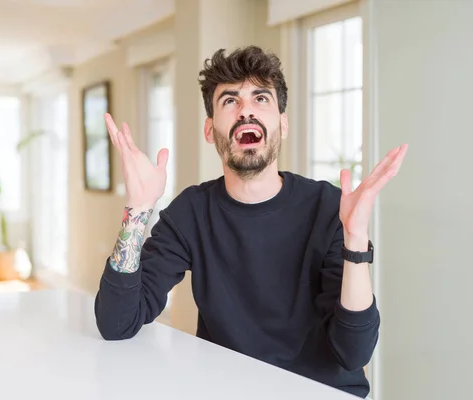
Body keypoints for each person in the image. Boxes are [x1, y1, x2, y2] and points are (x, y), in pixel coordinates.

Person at [94, 45, 408, 398]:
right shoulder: (192, 212)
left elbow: (353, 353)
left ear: (282, 124)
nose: (246, 110)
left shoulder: (329, 208)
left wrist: (355, 239)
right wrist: (137, 210)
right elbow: (116, 324)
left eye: (261, 99)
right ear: (210, 130)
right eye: (230, 101)